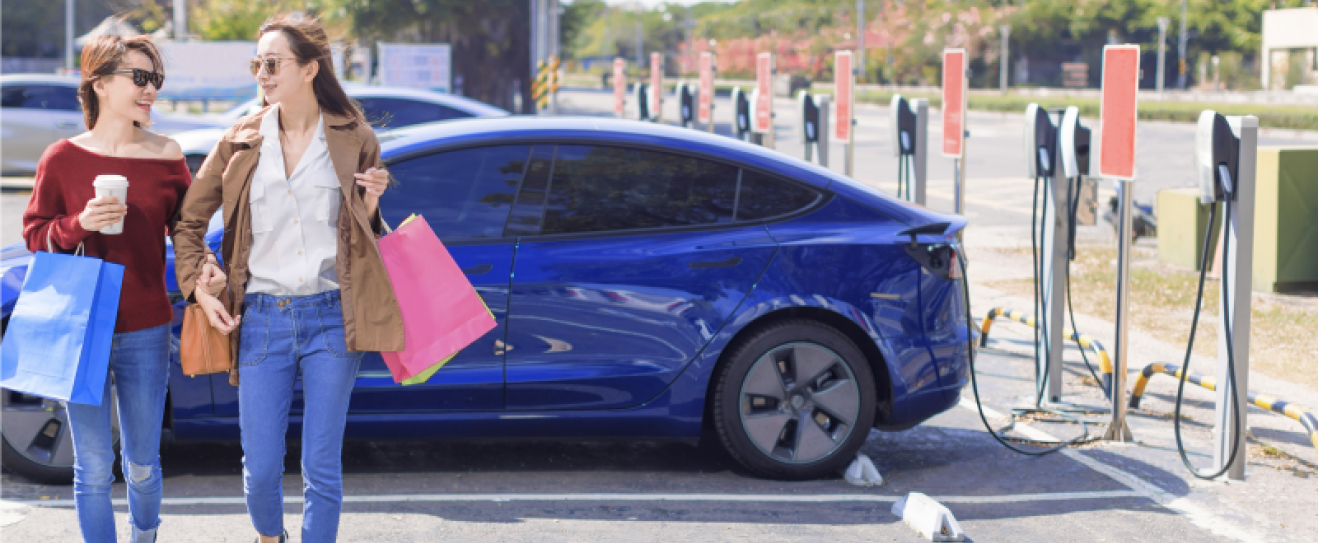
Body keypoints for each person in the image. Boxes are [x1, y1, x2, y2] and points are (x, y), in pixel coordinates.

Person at [170, 13, 402, 543]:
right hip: (262, 319)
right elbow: (188, 221)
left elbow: (365, 234)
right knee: (261, 467)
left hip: (331, 315)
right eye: (257, 63)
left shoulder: (354, 137)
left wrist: (369, 204)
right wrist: (198, 279)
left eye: (272, 63)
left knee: (322, 463)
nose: (262, 73)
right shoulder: (239, 140)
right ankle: (268, 537)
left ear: (309, 69)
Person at [21, 34, 223, 543]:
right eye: (139, 78)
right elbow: (35, 235)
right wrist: (80, 223)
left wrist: (205, 267)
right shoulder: (62, 158)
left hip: (146, 327)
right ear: (101, 83)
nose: (150, 89)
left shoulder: (166, 154)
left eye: (154, 79)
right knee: (91, 466)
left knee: (142, 462)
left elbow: (187, 228)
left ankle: (144, 536)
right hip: (81, 324)